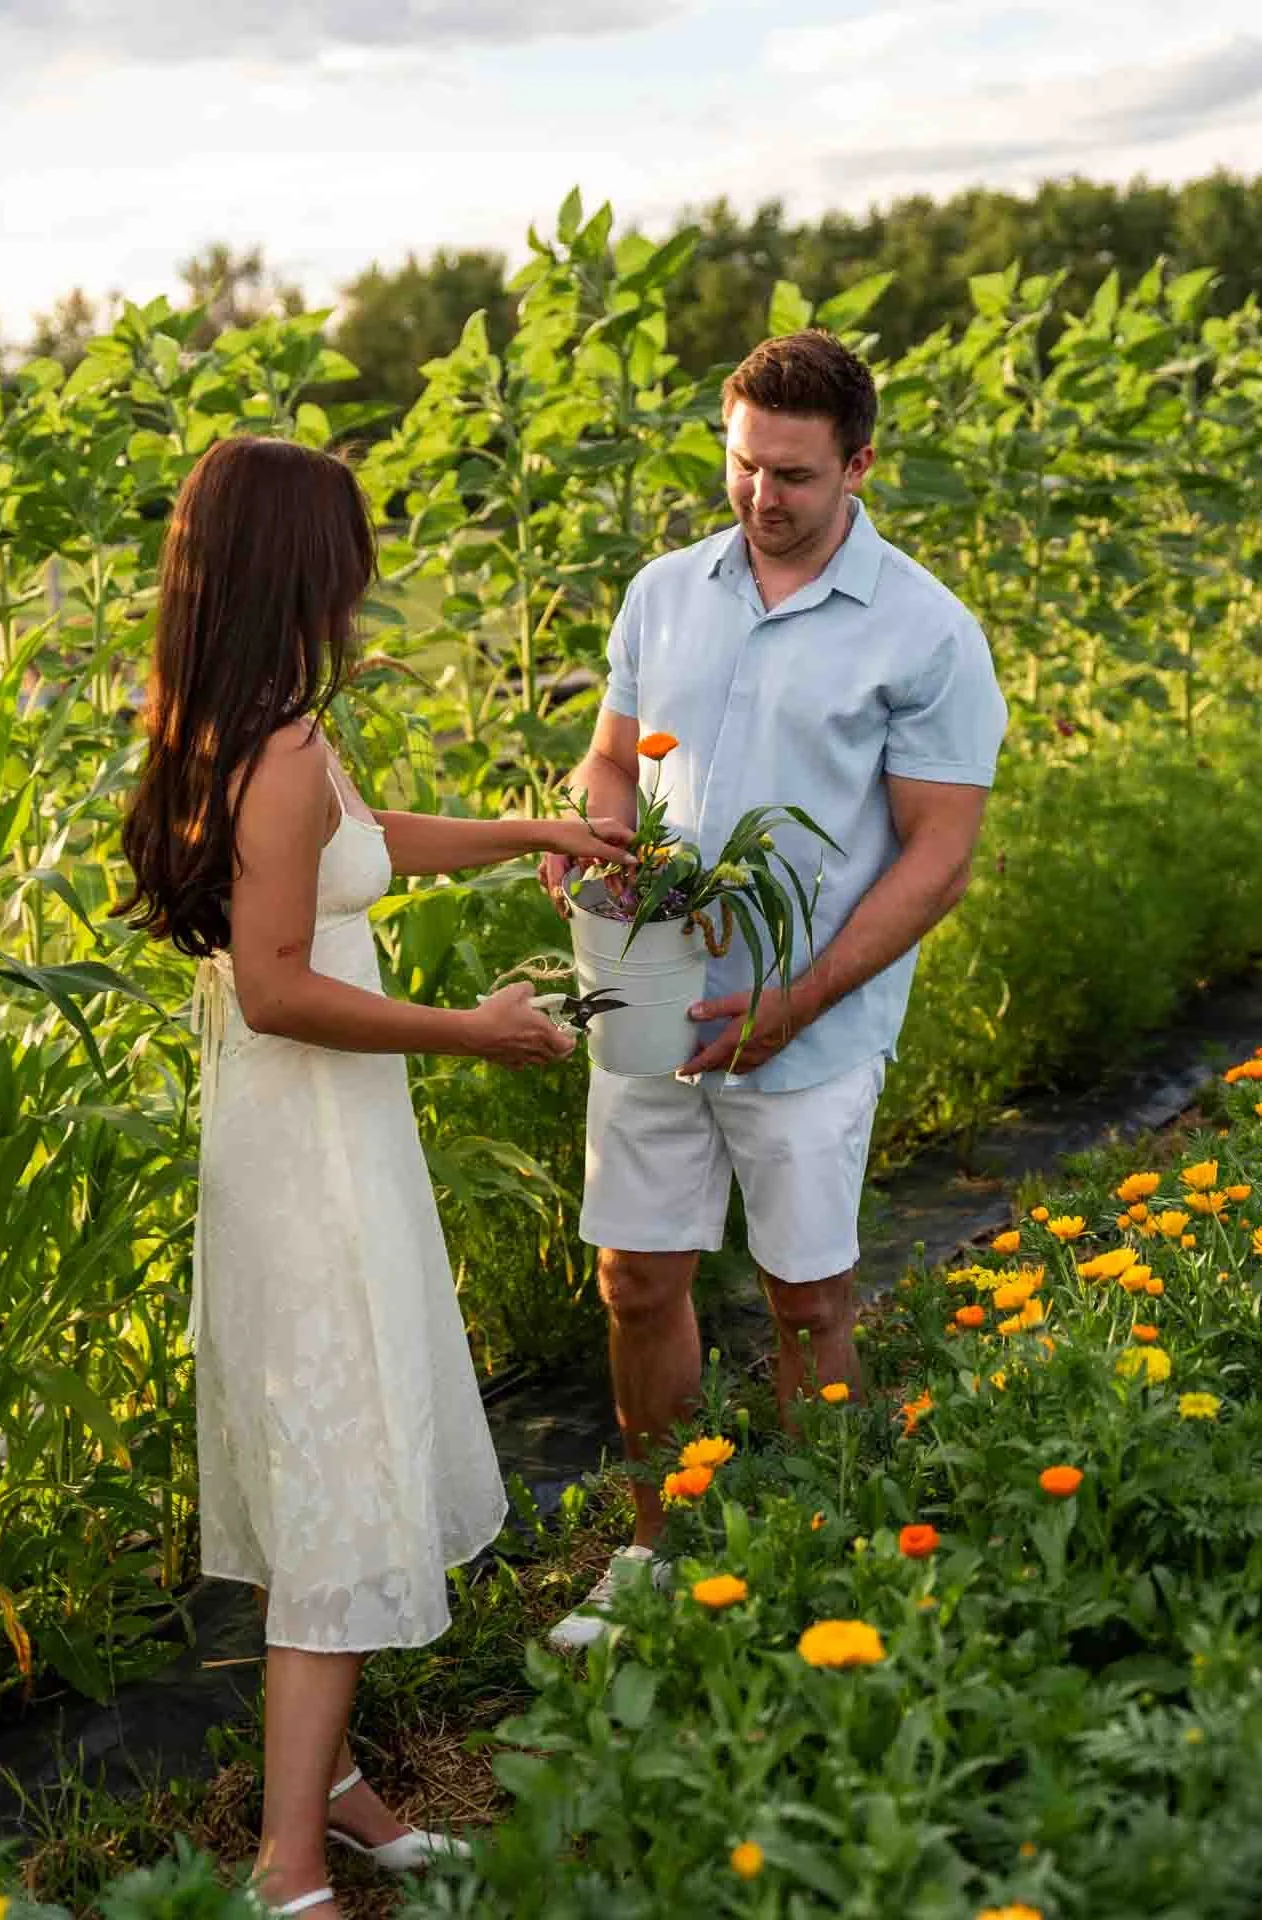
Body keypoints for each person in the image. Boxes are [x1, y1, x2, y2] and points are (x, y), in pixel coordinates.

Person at [117, 435, 633, 1918]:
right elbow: (279, 985)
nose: (364, 579)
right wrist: (471, 1034)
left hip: (309, 1139)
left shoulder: (254, 723)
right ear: (300, 565)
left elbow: (366, 846)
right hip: (313, 1149)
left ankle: (331, 1789)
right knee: (337, 1484)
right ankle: (286, 1870)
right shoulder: (271, 747)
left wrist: (529, 824)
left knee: (319, 1465)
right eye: (348, 551)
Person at [540, 327, 1008, 1650]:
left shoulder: (922, 631)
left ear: (859, 466)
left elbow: (938, 853)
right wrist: (597, 845)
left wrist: (797, 1000)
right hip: (652, 996)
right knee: (637, 1280)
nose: (760, 496)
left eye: (794, 475)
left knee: (804, 1295)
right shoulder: (664, 593)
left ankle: (807, 1560)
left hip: (808, 1024)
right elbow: (611, 763)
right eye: (744, 464)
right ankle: (653, 1547)